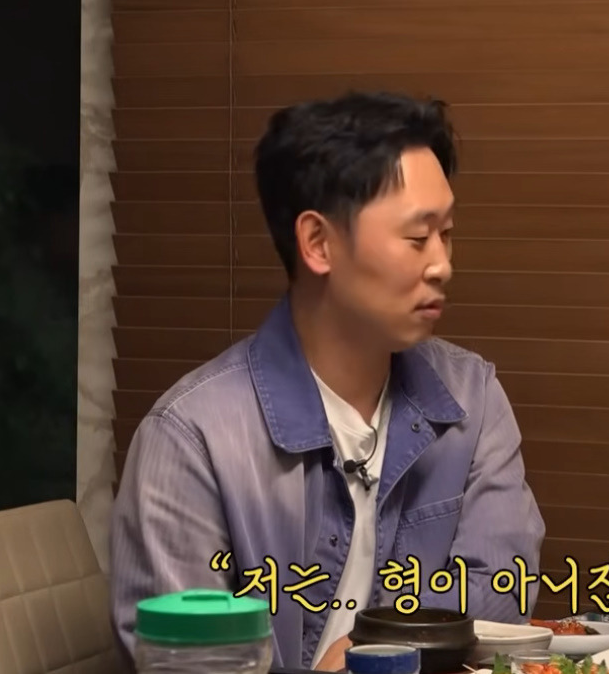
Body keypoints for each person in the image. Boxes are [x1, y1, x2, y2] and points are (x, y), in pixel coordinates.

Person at [108, 91, 546, 670]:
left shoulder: (472, 398)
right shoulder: (193, 437)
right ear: (318, 243)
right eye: (418, 238)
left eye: (447, 233)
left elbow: (501, 594)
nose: (442, 263)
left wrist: (378, 647)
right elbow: (187, 662)